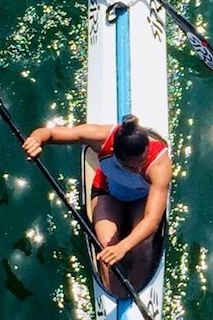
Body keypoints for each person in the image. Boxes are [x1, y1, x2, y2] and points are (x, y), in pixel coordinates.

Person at [21, 115, 172, 296]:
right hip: (108, 192)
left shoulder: (159, 165)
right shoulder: (100, 138)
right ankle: (116, 295)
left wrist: (124, 247)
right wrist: (36, 140)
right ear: (115, 151)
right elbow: (49, 133)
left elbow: (152, 220)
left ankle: (136, 296)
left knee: (143, 249)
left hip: (142, 198)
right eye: (130, 167)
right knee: (105, 250)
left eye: (142, 162)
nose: (138, 170)